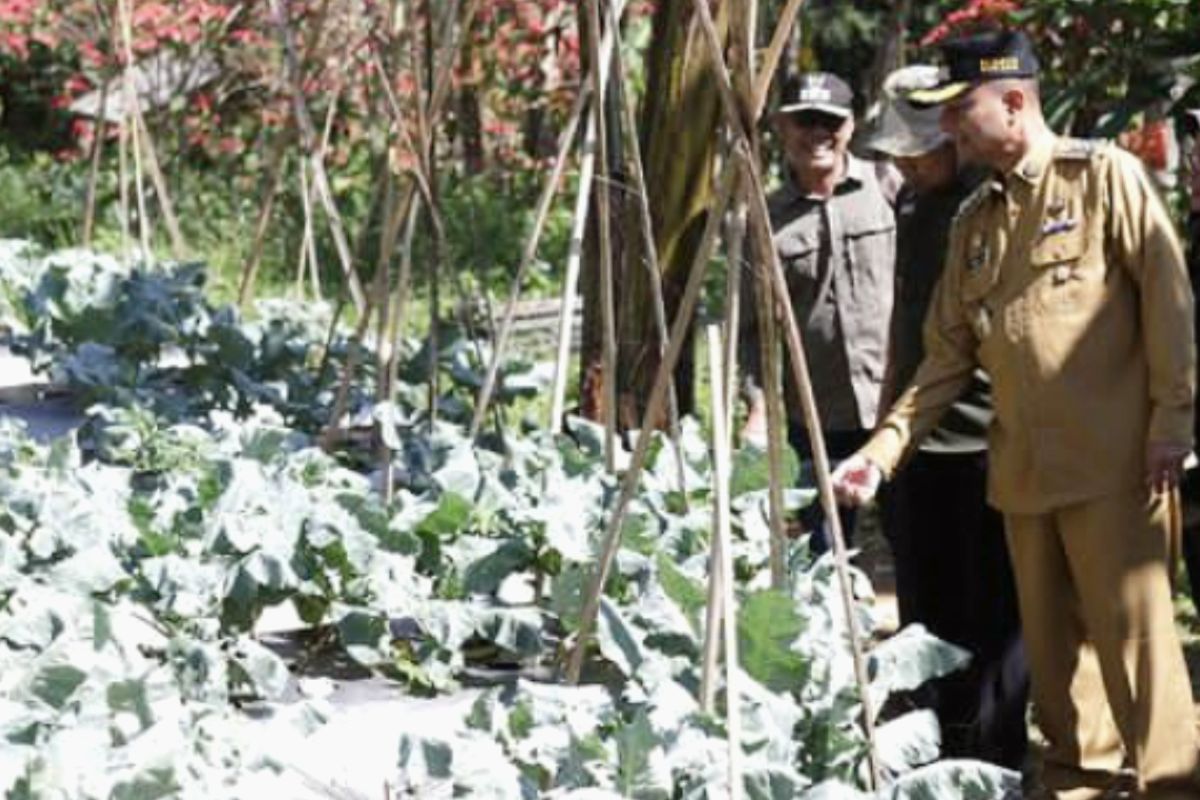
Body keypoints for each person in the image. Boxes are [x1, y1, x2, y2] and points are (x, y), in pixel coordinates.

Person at [832, 31, 1199, 800]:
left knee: (1139, 659)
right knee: (1060, 672)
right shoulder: (973, 224)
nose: (951, 131)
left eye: (960, 112)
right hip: (1024, 484)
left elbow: (1169, 301)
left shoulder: (1105, 180)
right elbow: (944, 360)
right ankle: (1077, 788)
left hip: (1116, 472)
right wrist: (883, 451)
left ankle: (1169, 787)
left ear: (1013, 100)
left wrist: (1172, 422)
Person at [869, 63, 1029, 771]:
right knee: (925, 619)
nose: (905, 162)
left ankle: (993, 758)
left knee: (993, 618)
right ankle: (936, 750)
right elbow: (910, 336)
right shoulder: (912, 205)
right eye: (897, 151)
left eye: (917, 148)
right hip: (917, 441)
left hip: (987, 444)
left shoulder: (989, 205)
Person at [740, 71, 896, 553]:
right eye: (803, 121)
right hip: (816, 414)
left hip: (894, 404)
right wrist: (759, 407)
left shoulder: (888, 185)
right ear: (781, 128)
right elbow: (754, 327)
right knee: (823, 549)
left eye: (829, 121)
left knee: (915, 538)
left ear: (850, 125)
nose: (817, 133)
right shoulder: (766, 218)